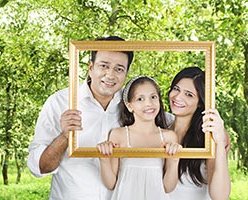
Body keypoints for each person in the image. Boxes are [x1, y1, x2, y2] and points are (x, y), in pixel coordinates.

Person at [27, 36, 134, 200]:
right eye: (104, 66)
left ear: (126, 73)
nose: (110, 75)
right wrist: (64, 136)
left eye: (119, 69)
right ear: (91, 67)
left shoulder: (135, 107)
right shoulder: (60, 102)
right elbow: (40, 168)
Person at [97, 76, 182, 200]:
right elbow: (111, 184)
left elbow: (168, 187)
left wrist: (175, 160)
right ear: (129, 106)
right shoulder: (118, 135)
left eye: (153, 97)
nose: (148, 103)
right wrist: (103, 159)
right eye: (140, 99)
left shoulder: (168, 136)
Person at [167, 67, 231, 200]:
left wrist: (219, 143)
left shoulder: (207, 138)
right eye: (176, 89)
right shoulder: (162, 126)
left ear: (200, 103)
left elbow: (220, 196)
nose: (178, 97)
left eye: (189, 94)